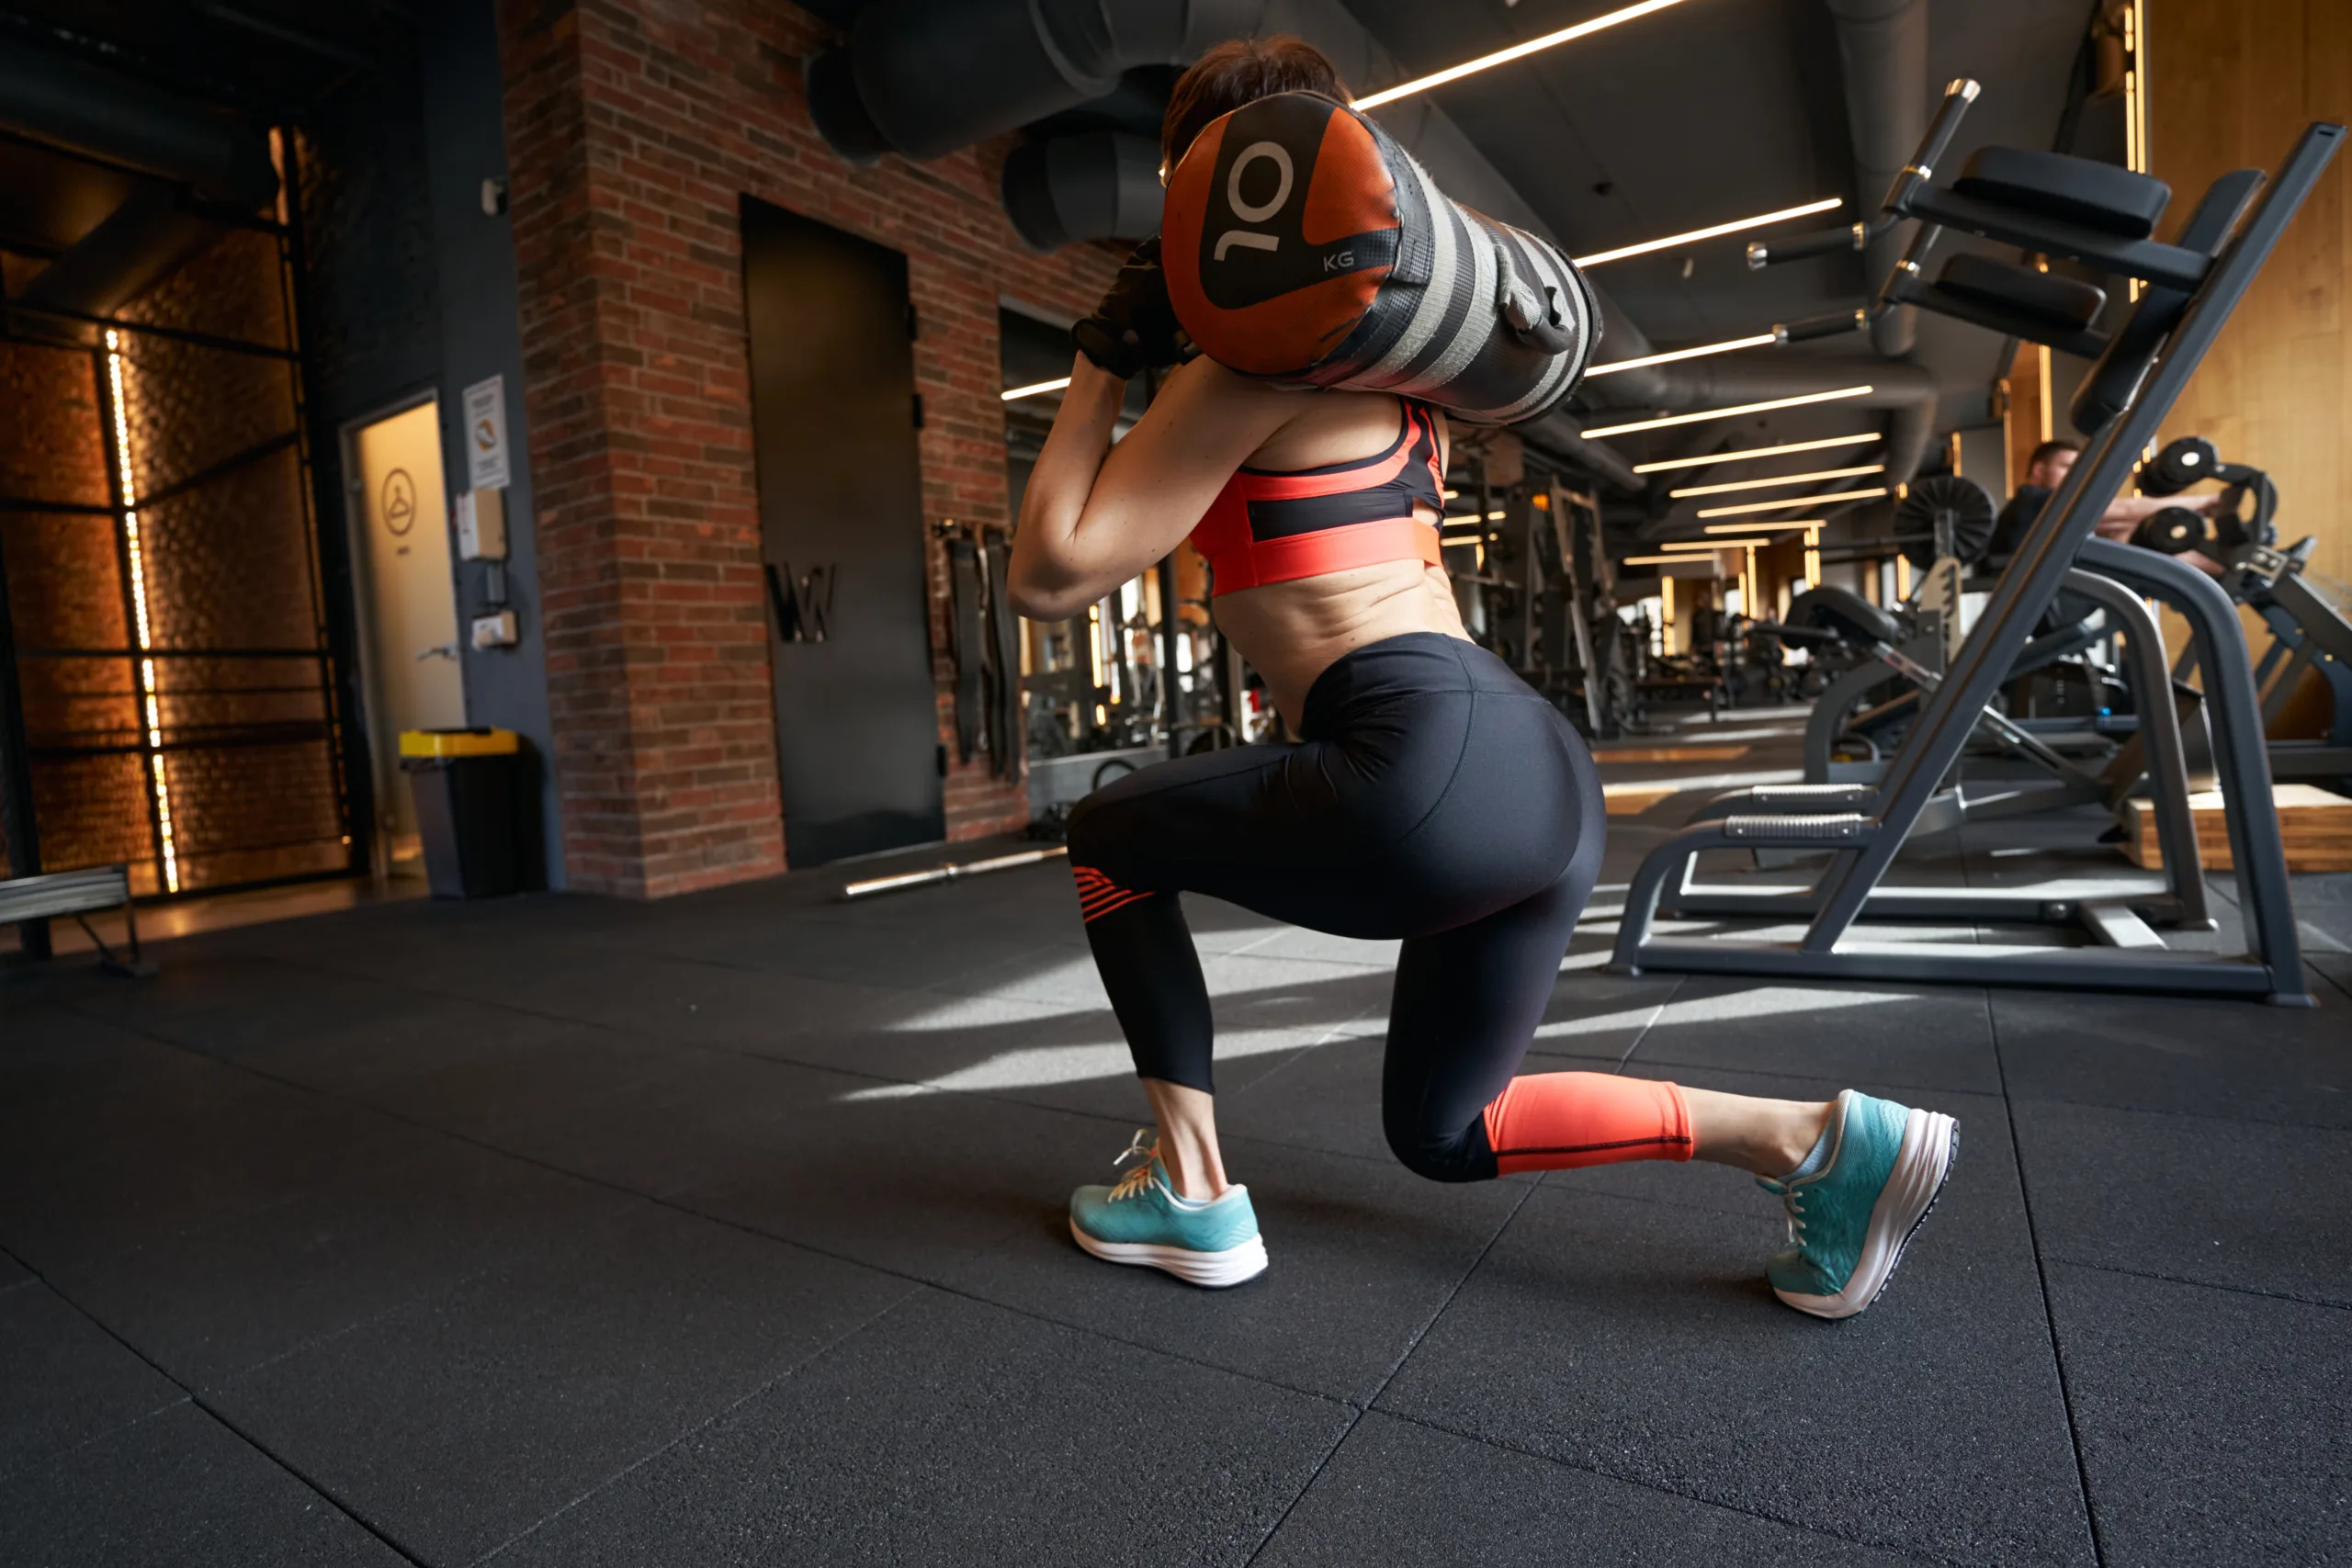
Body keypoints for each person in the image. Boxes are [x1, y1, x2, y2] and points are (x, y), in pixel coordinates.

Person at [1007, 35, 1958, 1321]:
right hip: (1535, 771)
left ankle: (1186, 1182)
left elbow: (1052, 572)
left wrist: (1102, 355)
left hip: (1413, 756)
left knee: (1109, 835)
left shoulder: (1253, 366)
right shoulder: (1404, 389)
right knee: (1450, 1126)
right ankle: (1817, 1140)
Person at [1992, 437, 2227, 575]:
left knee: (2126, 535)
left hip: (2054, 593)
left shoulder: (2053, 518)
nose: (2076, 478)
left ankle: (2222, 564)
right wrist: (2207, 503)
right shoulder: (2031, 500)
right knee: (2125, 530)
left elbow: (2122, 523)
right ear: (2039, 471)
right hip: (2045, 600)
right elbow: (2121, 511)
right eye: (2067, 468)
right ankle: (2223, 564)